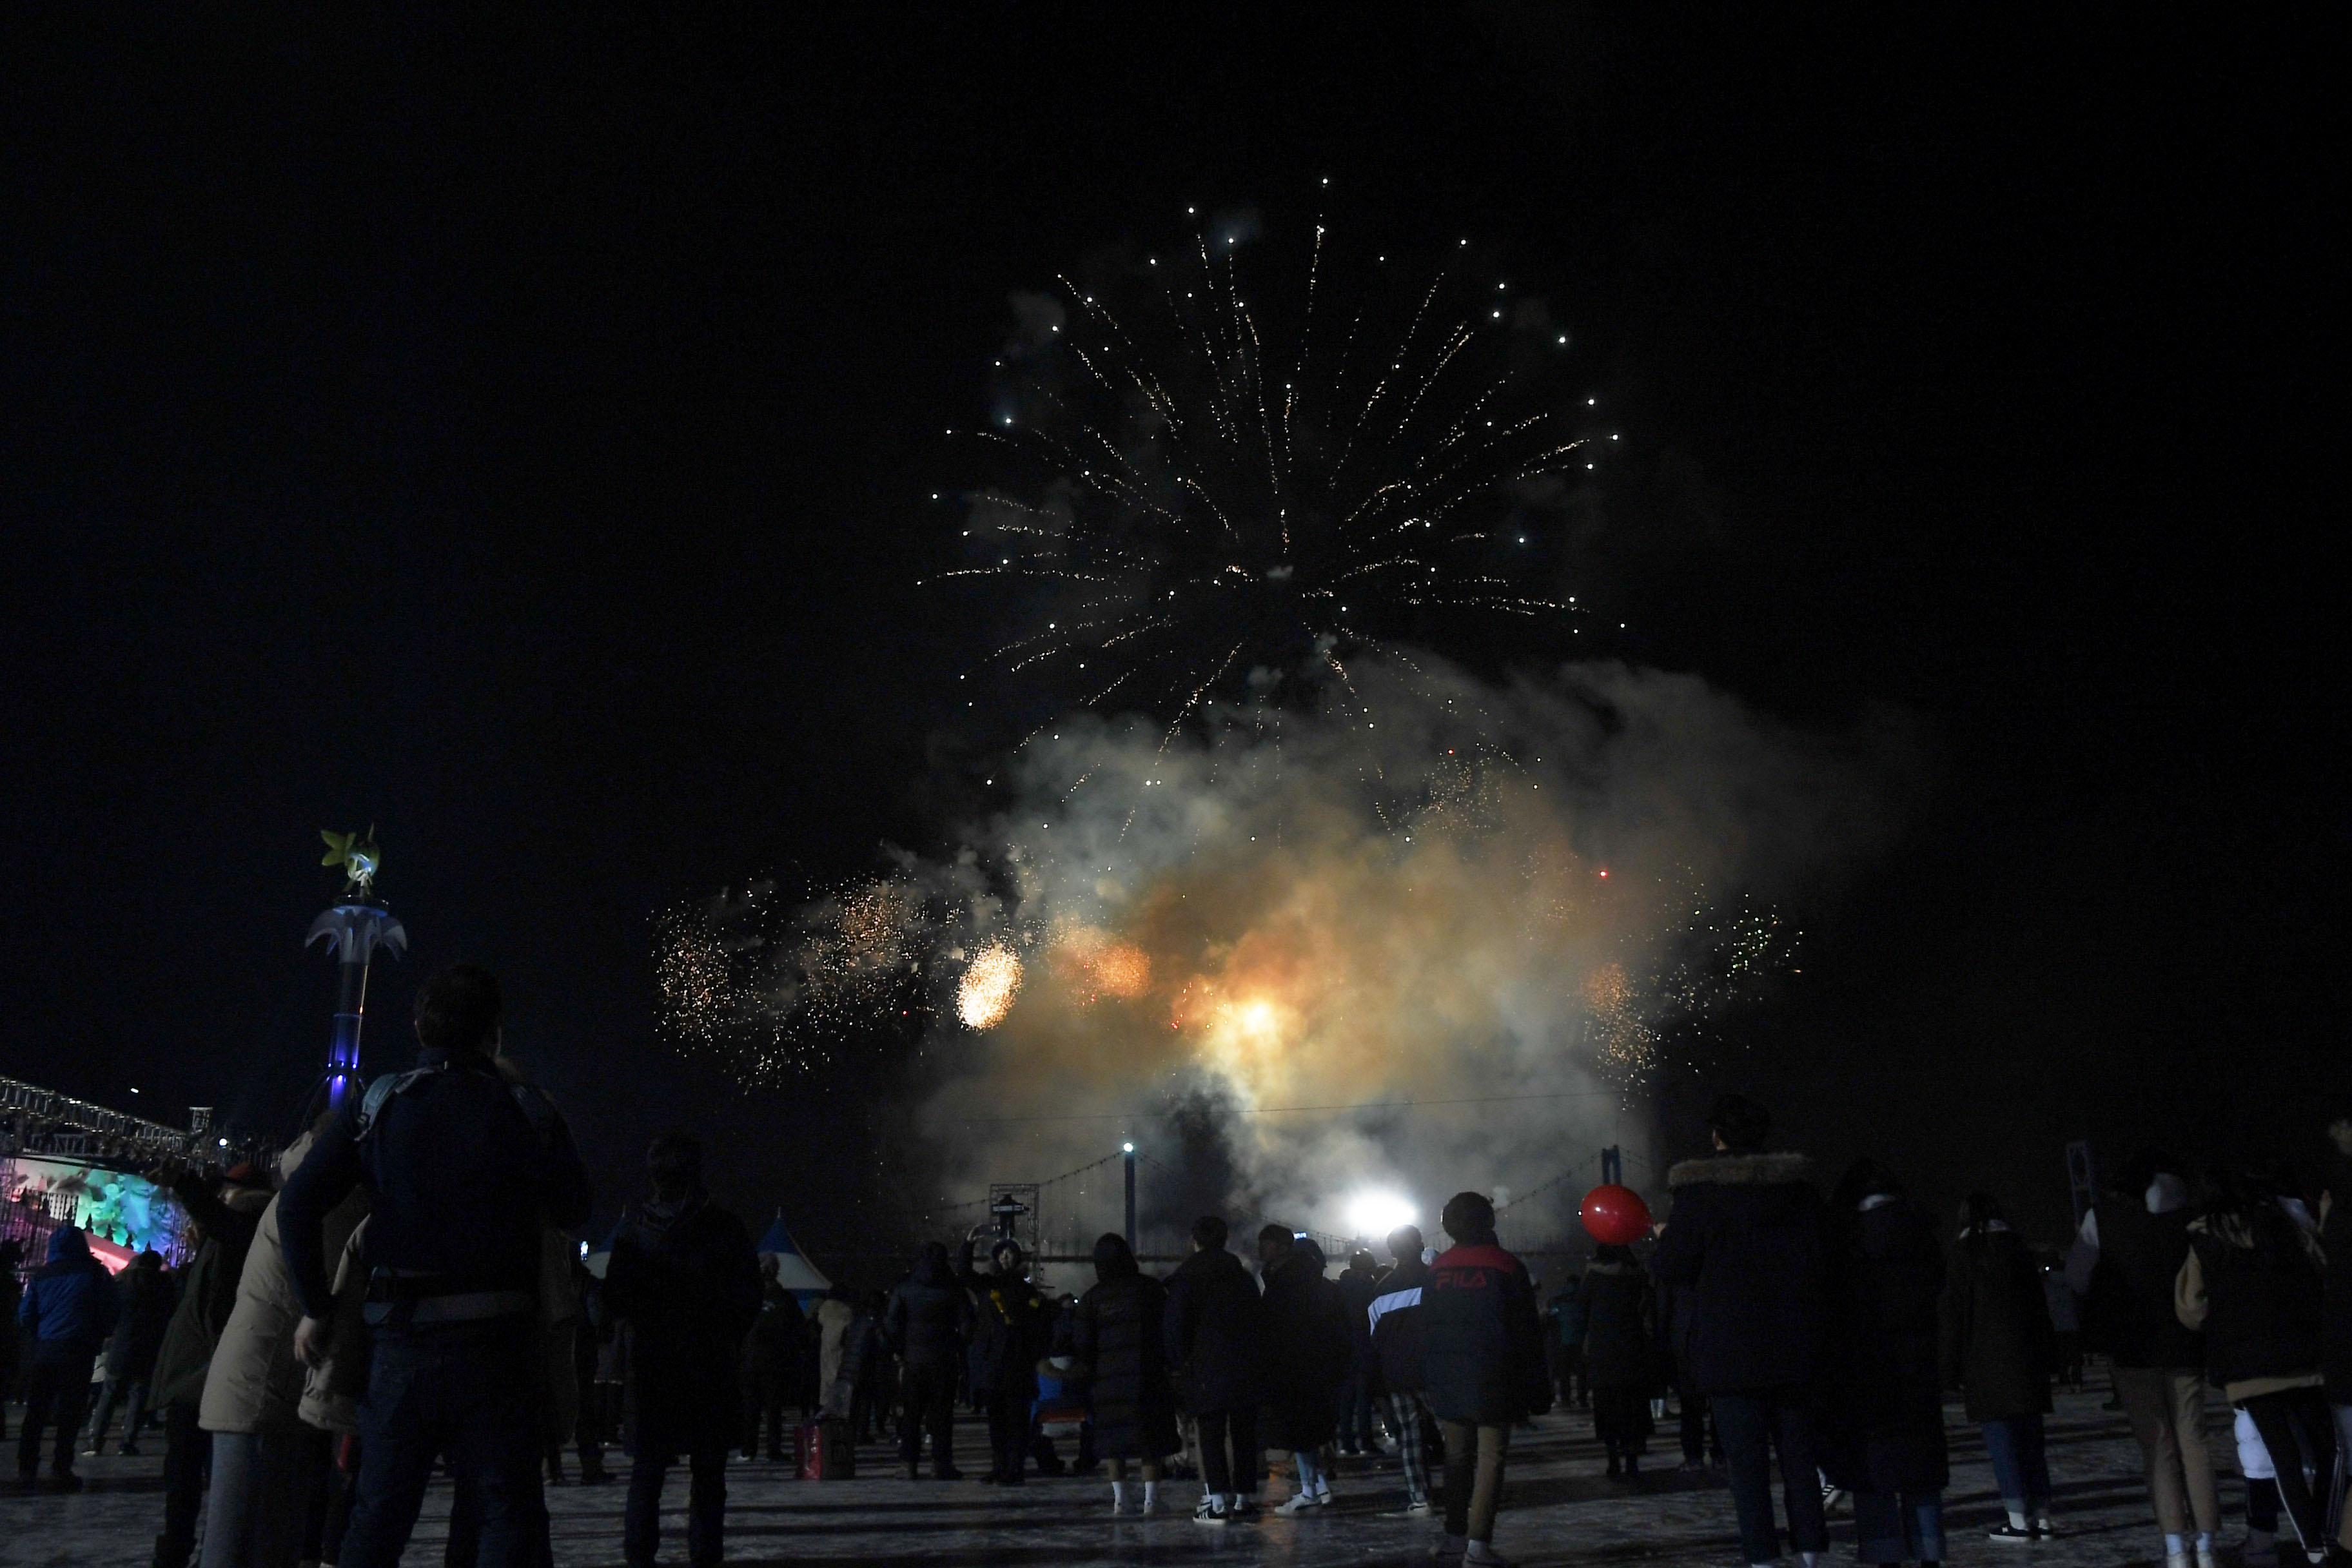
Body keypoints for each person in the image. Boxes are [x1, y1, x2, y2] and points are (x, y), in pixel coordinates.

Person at [277, 962, 593, 1568]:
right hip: (499, 1346)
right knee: (508, 1518)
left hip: (400, 1344)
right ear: (494, 1033)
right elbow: (575, 1206)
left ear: (420, 1026)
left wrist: (317, 1307)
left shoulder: (380, 1103)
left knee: (378, 1520)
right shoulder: (526, 1110)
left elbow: (297, 1208)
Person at [1652, 1093, 1833, 1568]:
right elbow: (1826, 1262)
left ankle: (1761, 1556)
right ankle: (1811, 1550)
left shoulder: (1699, 1197)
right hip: (1796, 1346)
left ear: (1717, 1138)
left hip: (1729, 1350)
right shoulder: (1801, 1194)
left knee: (1746, 1466)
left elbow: (1671, 1267)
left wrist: (1665, 1237)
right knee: (1799, 1458)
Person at [202, 1122, 369, 1568]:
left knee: (244, 1538)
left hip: (257, 1382)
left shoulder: (305, 1190)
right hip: (268, 1390)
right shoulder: (336, 1201)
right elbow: (343, 1288)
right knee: (251, 1542)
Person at [603, 1131, 761, 1568]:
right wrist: (722, 1332)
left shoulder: (635, 1231)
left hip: (653, 1366)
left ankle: (640, 1556)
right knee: (708, 1476)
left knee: (647, 1473)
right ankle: (705, 1555)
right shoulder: (724, 1228)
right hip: (708, 1364)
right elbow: (749, 1295)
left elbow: (615, 1298)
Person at [2175, 1165, 2334, 1566]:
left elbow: (2191, 1308)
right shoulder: (2280, 1225)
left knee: (2283, 1459)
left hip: (2248, 1367)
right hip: (2301, 1355)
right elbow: (2319, 1269)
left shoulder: (2204, 1240)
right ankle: (2328, 1532)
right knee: (2326, 1451)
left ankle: (2314, 1546)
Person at [2070, 1150, 2219, 1568]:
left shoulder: (2104, 1219)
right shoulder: (2188, 1219)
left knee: (2157, 1448)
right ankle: (2207, 1546)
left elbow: (2079, 1276)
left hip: (2131, 1346)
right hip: (2184, 1344)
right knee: (2195, 1442)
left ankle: (2176, 1549)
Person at [1821, 1161, 1947, 1568]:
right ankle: (1932, 1551)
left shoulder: (1846, 1240)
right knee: (1921, 1470)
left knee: (1873, 1472)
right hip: (1918, 1364)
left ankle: (1882, 1553)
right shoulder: (1922, 1234)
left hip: (1864, 1366)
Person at [149, 1164, 274, 1568]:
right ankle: (189, 1548)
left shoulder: (252, 1218)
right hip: (200, 1369)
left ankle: (191, 1551)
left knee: (196, 1475)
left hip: (208, 1369)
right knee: (194, 1473)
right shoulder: (234, 1229)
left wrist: (187, 1186)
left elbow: (225, 1228)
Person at [1420, 1191, 1550, 1567]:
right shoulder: (1507, 1266)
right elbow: (1527, 1333)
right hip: (1496, 1375)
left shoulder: (1438, 1269)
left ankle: (1454, 1536)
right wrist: (1537, 1388)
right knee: (1491, 1458)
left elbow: (1427, 1328)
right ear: (1488, 1222)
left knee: (1456, 1458)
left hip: (1446, 1378)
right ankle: (1478, 1545)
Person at [1940, 1191, 2056, 1544]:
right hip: (2027, 1361)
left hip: (1984, 1363)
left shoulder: (1963, 1255)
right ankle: (2043, 1518)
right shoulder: (2018, 1249)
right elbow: (2040, 1307)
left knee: (2003, 1444)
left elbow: (1953, 1317)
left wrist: (1948, 1369)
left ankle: (2018, 1520)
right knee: (2032, 1442)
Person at [1164, 1214, 1264, 1524]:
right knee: (1244, 1432)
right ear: (1224, 1240)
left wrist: (1180, 1363)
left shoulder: (1186, 1277)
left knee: (1210, 1433)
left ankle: (1217, 1501)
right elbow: (1258, 1321)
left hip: (1205, 1365)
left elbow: (1175, 1327)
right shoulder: (1243, 1277)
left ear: (1195, 1241)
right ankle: (1245, 1498)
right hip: (1245, 1364)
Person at [1074, 1231, 1179, 1514]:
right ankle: (1151, 1500)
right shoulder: (1150, 1289)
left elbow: (1083, 1344)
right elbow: (1167, 1332)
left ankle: (1121, 1499)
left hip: (1107, 1379)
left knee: (1113, 1440)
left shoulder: (1091, 1299)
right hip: (1147, 1373)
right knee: (1150, 1439)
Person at [15, 1224, 121, 1491]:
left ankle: (27, 1466)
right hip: (79, 1350)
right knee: (70, 1413)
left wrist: (40, 1334)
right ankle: (61, 1466)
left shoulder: (42, 1276)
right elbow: (110, 1311)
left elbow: (26, 1314)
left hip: (46, 1350)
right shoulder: (96, 1274)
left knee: (36, 1412)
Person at [1258, 1227, 1351, 1513]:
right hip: (1317, 1363)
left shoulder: (1285, 1282)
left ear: (1281, 1247)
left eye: (1266, 1244)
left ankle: (1310, 1490)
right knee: (1310, 1429)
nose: (1262, 1249)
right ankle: (1319, 1485)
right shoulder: (1317, 1283)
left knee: (1298, 1430)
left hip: (1293, 1364)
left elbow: (1274, 1324)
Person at [959, 1234, 1050, 1485]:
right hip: (994, 1362)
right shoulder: (987, 1285)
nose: (1005, 1257)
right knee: (996, 1419)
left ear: (1018, 1259)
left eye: (1010, 1253)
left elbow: (1038, 1327)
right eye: (1001, 1254)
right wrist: (968, 1246)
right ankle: (999, 1466)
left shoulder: (1027, 1291)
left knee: (1016, 1420)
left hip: (1016, 1361)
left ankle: (1014, 1467)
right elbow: (964, 1273)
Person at [884, 1240, 970, 1478]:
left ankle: (908, 1464)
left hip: (914, 1360)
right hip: (943, 1360)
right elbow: (966, 1324)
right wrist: (957, 1346)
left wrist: (901, 1349)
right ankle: (941, 1464)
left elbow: (891, 1323)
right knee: (942, 1415)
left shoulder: (905, 1288)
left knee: (912, 1414)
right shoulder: (953, 1288)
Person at [1371, 1222, 1436, 1514]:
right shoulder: (1436, 1280)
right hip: (1435, 1370)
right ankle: (1465, 1492)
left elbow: (1376, 1337)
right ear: (1420, 1246)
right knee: (1454, 1433)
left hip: (1397, 1373)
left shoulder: (1381, 1288)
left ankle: (1420, 1498)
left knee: (1410, 1437)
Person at [1578, 1242, 1658, 1480]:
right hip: (1632, 1349)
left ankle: (1613, 1458)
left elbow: (1582, 1309)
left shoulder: (1594, 1279)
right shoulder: (1637, 1277)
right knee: (1632, 1406)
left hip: (1603, 1351)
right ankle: (1632, 1457)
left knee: (1607, 1406)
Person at [87, 1249, 175, 1455]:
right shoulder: (164, 1286)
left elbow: (109, 1312)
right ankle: (128, 1442)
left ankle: (96, 1440)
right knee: (138, 1395)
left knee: (109, 1393)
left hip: (122, 1343)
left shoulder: (122, 1284)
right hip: (149, 1346)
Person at [741, 1254, 807, 1463]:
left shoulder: (747, 1296)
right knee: (773, 1409)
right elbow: (799, 1330)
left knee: (751, 1408)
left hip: (751, 1359)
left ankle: (749, 1450)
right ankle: (772, 1449)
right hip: (774, 1361)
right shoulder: (785, 1299)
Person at [1334, 1248, 1383, 1456]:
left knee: (1347, 1400)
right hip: (1365, 1348)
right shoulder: (1370, 1289)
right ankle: (1366, 1441)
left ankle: (1346, 1441)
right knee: (1364, 1399)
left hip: (1344, 1350)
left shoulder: (1338, 1289)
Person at [1545, 1274, 1589, 1411]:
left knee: (1565, 1372)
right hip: (1580, 1341)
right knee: (1582, 1372)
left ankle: (1565, 1400)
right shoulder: (1583, 1299)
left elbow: (1551, 1315)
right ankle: (1582, 1399)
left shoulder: (1559, 1299)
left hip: (1563, 1340)